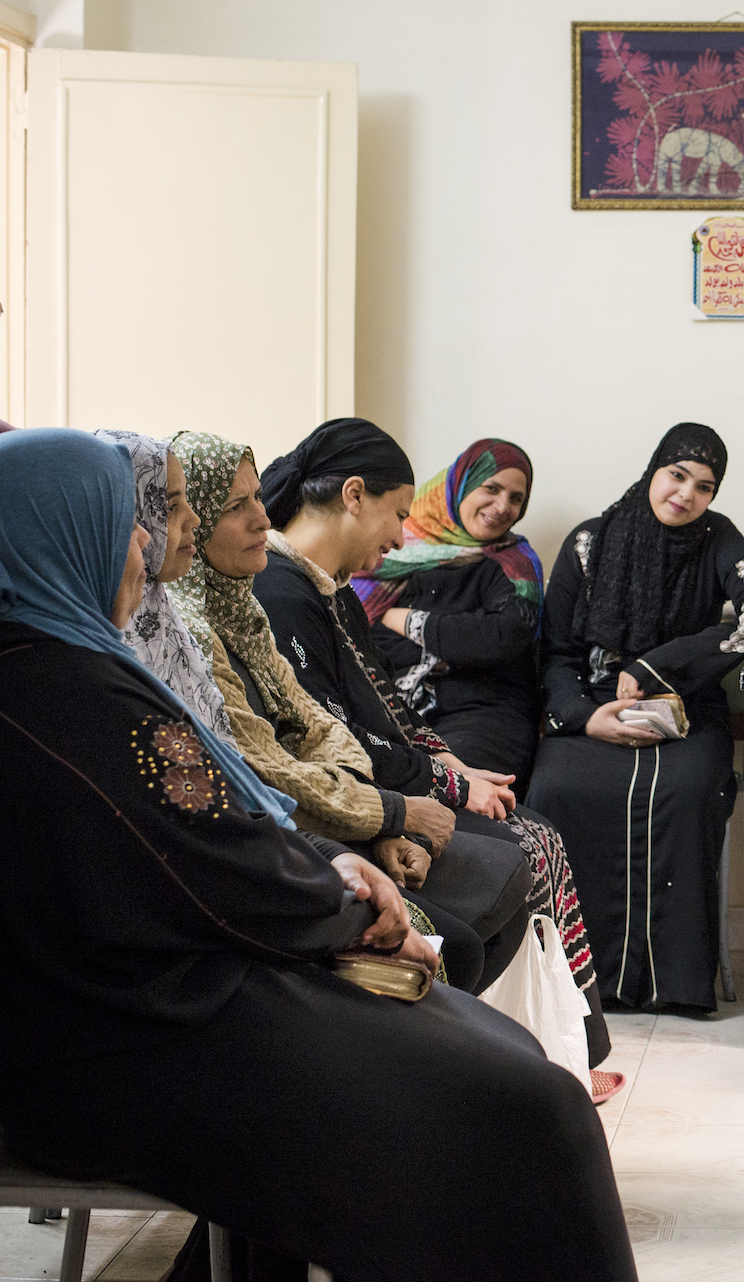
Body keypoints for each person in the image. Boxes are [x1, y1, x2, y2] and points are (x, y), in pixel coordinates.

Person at [0, 428, 637, 1282]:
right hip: (125, 1036)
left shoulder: (64, 665)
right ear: (59, 536)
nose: (148, 542)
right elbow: (205, 858)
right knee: (531, 1110)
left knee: (503, 1063)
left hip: (162, 989)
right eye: (128, 522)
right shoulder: (65, 693)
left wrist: (339, 874)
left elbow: (211, 829)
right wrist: (352, 905)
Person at [241, 422, 613, 1086]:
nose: (398, 535)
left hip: (386, 786)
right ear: (354, 496)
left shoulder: (325, 588)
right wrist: (411, 807)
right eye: (394, 512)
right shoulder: (283, 589)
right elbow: (329, 737)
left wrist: (450, 776)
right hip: (335, 816)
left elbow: (381, 713)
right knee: (519, 855)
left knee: (531, 841)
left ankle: (547, 1057)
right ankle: (489, 1068)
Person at [91, 428, 486, 993]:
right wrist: (383, 822)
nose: (259, 520)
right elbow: (235, 786)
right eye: (168, 508)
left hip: (283, 849)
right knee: (446, 955)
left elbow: (315, 730)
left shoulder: (219, 616)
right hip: (208, 930)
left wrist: (360, 836)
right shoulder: (114, 665)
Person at [529, 422, 744, 1014]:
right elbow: (557, 654)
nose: (686, 495)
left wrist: (659, 665)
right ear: (654, 470)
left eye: (705, 486)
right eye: (677, 475)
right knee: (558, 788)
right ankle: (579, 986)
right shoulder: (590, 543)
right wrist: (585, 719)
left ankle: (677, 986)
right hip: (591, 705)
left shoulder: (717, 538)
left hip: (688, 707)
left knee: (691, 789)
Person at [353, 438, 545, 784]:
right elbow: (360, 640)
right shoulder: (394, 549)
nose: (502, 506)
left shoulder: (516, 565)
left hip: (484, 713)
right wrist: (450, 639)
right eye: (491, 488)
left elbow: (500, 637)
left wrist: (400, 618)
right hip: (392, 705)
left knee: (454, 790)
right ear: (461, 485)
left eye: (516, 498)